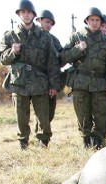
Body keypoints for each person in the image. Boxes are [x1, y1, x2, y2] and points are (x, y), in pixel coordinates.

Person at [0, 1, 61, 149]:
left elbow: (52, 62)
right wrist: (12, 52)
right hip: (19, 81)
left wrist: (54, 85)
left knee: (43, 115)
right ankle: (23, 143)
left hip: (40, 81)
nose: (26, 15)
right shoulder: (10, 36)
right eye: (23, 12)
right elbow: (2, 58)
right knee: (21, 115)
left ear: (34, 15)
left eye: (29, 12)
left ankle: (43, 141)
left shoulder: (44, 37)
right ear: (19, 14)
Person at [62, 7, 106, 149]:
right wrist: (77, 49)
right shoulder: (76, 37)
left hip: (100, 83)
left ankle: (98, 140)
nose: (94, 22)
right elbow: (63, 58)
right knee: (82, 113)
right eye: (92, 19)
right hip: (81, 82)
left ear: (101, 22)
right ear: (87, 20)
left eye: (97, 20)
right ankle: (86, 139)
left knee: (100, 114)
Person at [34, 9, 65, 142]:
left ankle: (42, 136)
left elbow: (61, 60)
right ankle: (41, 138)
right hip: (34, 81)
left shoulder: (54, 40)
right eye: (47, 22)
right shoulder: (31, 36)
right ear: (39, 20)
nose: (49, 25)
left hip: (51, 80)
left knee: (49, 112)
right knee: (40, 112)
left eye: (51, 24)